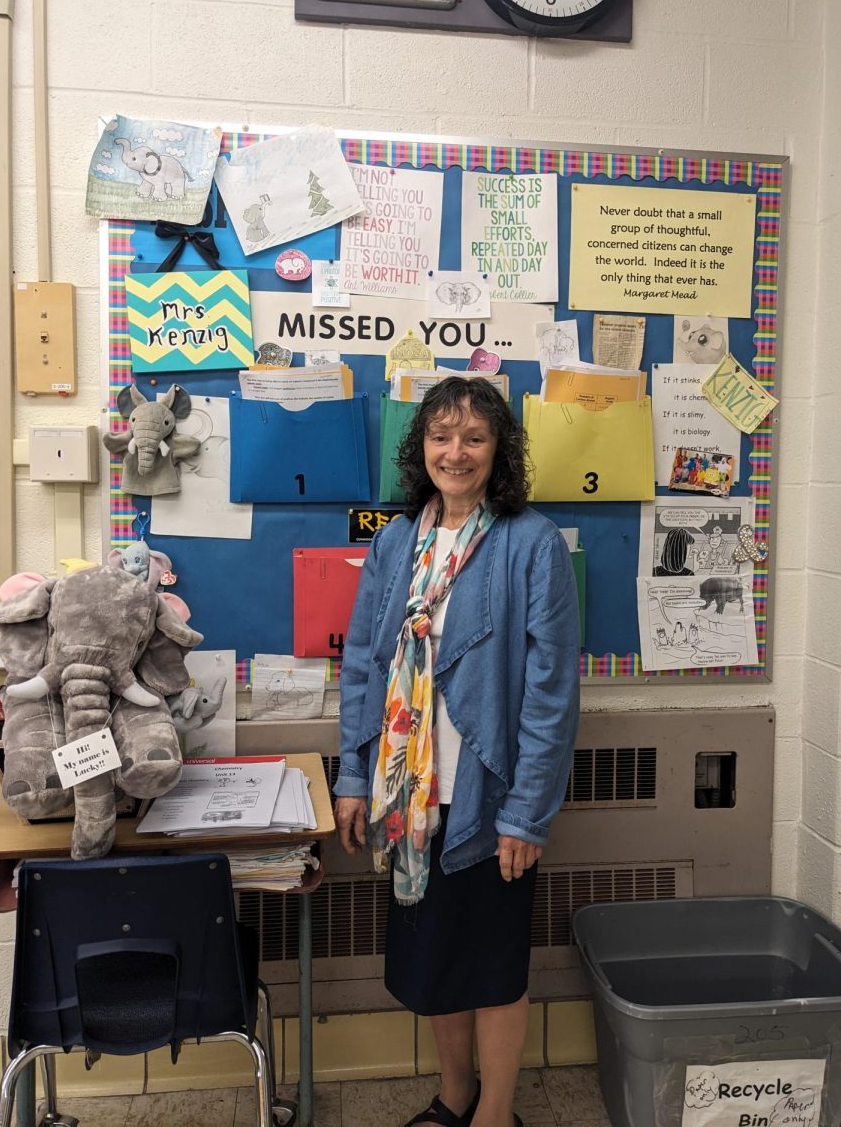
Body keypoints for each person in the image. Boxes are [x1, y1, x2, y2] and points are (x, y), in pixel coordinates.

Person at [334, 377, 580, 1127]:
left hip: (489, 796)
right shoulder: (395, 539)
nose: (456, 452)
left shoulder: (531, 543)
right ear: (422, 449)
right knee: (437, 960)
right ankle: (456, 1094)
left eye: (474, 437)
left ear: (499, 449)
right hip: (405, 793)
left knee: (494, 969)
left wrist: (526, 814)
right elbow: (365, 667)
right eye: (441, 436)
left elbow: (551, 693)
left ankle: (496, 1113)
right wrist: (352, 772)